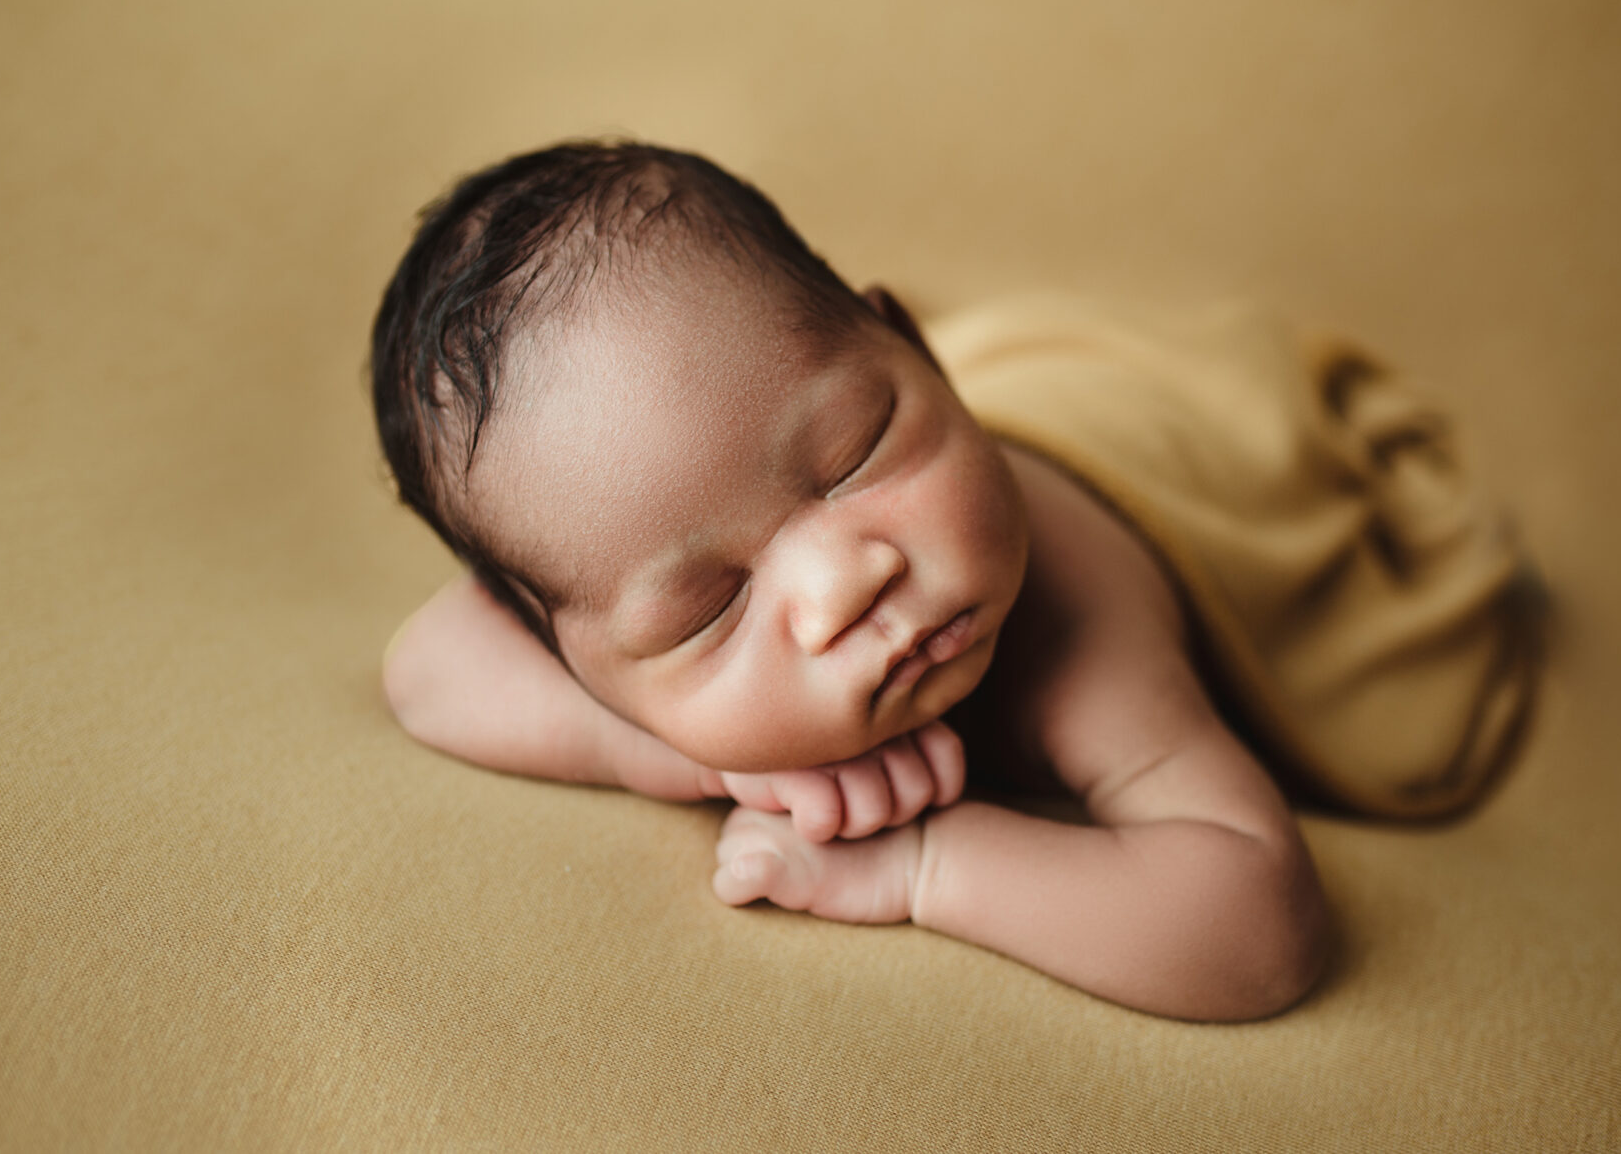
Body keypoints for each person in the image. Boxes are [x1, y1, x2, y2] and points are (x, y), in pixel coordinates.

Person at [370, 140, 1527, 1021]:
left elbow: (1258, 927)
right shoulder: (641, 642)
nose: (844, 584)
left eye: (855, 452)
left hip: (1174, 475)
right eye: (708, 610)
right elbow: (423, 666)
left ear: (912, 347)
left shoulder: (1081, 628)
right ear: (581, 659)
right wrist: (704, 752)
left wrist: (922, 861)